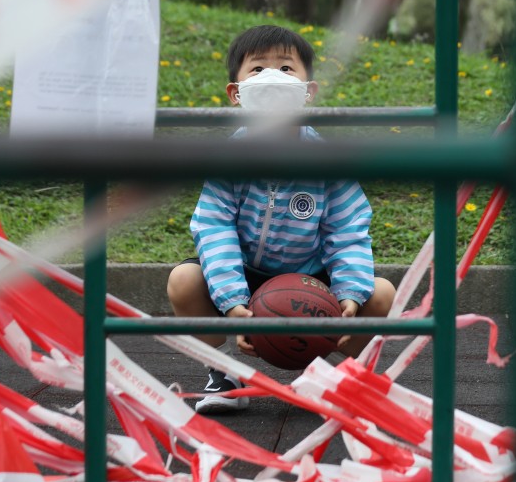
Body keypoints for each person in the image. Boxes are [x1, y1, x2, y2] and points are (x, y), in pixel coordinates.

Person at [166, 25, 396, 414]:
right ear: (235, 93)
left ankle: (329, 375)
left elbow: (347, 231)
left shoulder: (327, 161)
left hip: (312, 278)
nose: (272, 78)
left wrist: (349, 293)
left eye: (287, 68)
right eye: (257, 69)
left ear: (309, 92)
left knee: (380, 293)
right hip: (245, 272)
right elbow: (214, 227)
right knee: (184, 281)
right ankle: (223, 371)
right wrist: (232, 304)